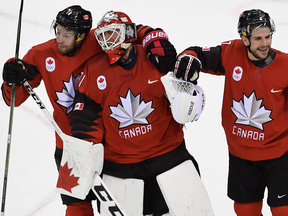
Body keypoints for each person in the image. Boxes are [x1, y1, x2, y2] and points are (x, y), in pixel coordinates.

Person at [1, 5, 177, 216]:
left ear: (82, 35)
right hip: (69, 145)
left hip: (109, 145)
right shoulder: (40, 55)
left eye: (67, 35)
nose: (60, 39)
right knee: (76, 204)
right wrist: (12, 79)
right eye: (57, 31)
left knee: (123, 206)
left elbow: (133, 30)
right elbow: (12, 100)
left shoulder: (99, 40)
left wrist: (154, 40)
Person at [70, 10, 212, 216]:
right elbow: (85, 121)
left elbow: (188, 95)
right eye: (102, 36)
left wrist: (190, 91)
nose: (106, 41)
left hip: (169, 156)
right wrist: (85, 154)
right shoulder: (93, 71)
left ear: (128, 33)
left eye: (112, 34)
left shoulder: (156, 59)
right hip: (120, 166)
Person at [173, 9, 288, 216]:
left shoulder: (285, 66)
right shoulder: (231, 52)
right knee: (245, 212)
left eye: (268, 37)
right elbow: (196, 53)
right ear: (244, 39)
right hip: (241, 156)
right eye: (258, 38)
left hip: (280, 156)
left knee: (283, 210)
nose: (265, 44)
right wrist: (188, 58)